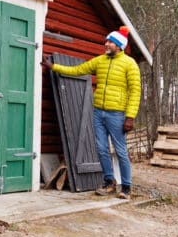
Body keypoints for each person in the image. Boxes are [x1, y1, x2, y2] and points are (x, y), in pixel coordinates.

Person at [42, 26, 141, 198]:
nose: (106, 44)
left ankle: (126, 187)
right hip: (98, 112)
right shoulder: (100, 61)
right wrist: (54, 67)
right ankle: (109, 182)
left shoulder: (129, 64)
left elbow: (135, 91)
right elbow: (78, 70)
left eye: (110, 42)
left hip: (117, 114)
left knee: (120, 151)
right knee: (101, 149)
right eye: (107, 41)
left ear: (118, 45)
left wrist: (130, 117)